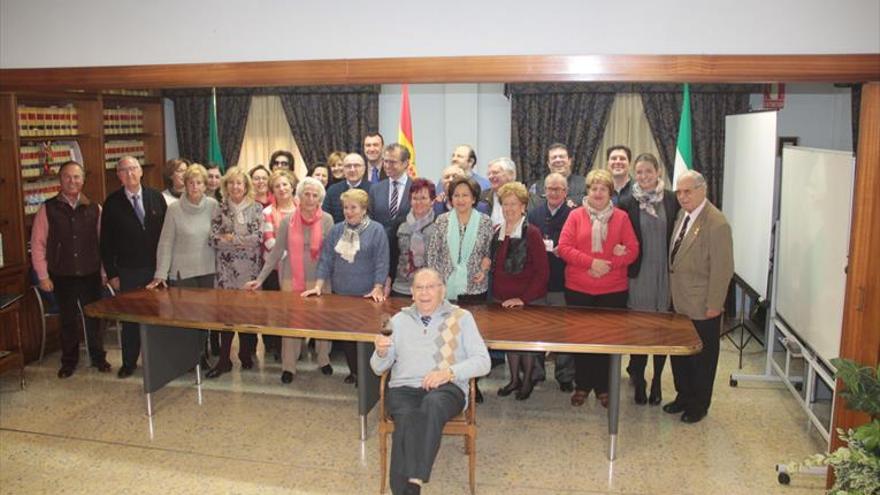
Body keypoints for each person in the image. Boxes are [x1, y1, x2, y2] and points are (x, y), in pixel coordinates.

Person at [371, 268, 491, 495]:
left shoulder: (462, 318)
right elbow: (378, 368)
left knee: (432, 405)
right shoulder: (395, 321)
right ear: (412, 293)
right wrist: (380, 352)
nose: (425, 293)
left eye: (431, 287)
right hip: (403, 389)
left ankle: (415, 476)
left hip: (447, 388)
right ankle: (408, 488)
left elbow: (483, 362)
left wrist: (449, 373)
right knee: (405, 420)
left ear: (442, 290)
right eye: (419, 288)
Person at [557, 169, 638, 408]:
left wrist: (608, 265)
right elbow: (564, 247)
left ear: (610, 193)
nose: (598, 192)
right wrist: (591, 263)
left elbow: (633, 250)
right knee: (581, 340)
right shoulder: (575, 216)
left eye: (603, 188)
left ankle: (604, 387)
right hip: (578, 288)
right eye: (594, 188)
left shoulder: (622, 217)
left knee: (607, 341)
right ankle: (582, 385)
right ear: (588, 191)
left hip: (612, 290)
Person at [245, 177, 335, 383]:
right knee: (291, 324)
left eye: (315, 195)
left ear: (320, 198)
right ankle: (289, 366)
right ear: (299, 196)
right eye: (306, 194)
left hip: (320, 278)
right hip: (290, 278)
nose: (310, 198)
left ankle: (323, 359)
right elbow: (276, 252)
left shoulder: (328, 220)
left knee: (321, 323)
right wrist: (260, 279)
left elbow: (329, 255)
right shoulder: (288, 221)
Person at [663, 170, 734, 424]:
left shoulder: (716, 223)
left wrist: (715, 305)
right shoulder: (683, 215)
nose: (682, 197)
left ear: (703, 190)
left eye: (687, 191)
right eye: (679, 192)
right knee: (680, 355)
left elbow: (723, 269)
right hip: (678, 302)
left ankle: (699, 404)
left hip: (702, 305)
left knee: (702, 359)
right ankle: (683, 396)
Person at [31, 161, 111, 378]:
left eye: (76, 177)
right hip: (61, 275)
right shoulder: (48, 209)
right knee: (68, 320)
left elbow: (102, 243)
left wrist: (104, 272)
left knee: (94, 318)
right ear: (60, 180)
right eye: (67, 177)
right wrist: (43, 276)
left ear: (83, 180)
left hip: (91, 272)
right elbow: (38, 244)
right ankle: (69, 362)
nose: (72, 181)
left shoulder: (95, 208)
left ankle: (98, 358)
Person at [302, 188, 389, 385]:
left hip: (367, 295)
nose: (348, 212)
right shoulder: (336, 230)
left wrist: (378, 287)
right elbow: (326, 259)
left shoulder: (377, 230)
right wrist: (318, 286)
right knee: (348, 337)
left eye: (353, 207)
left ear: (364, 209)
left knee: (366, 338)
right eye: (345, 208)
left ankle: (369, 376)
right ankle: (355, 372)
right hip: (341, 292)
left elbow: (382, 262)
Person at [619, 153, 680, 405]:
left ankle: (657, 381)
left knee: (662, 330)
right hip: (639, 275)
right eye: (640, 172)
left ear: (658, 173)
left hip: (666, 275)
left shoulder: (673, 200)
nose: (644, 177)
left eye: (648, 172)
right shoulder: (627, 201)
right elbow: (620, 235)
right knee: (641, 329)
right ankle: (640, 379)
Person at [100, 155, 167, 378]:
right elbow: (106, 242)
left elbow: (167, 237)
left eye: (133, 169)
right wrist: (112, 274)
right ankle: (129, 362)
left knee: (157, 317)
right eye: (124, 170)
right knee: (130, 318)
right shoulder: (112, 203)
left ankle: (158, 360)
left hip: (155, 270)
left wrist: (164, 269)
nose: (129, 173)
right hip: (128, 271)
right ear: (118, 176)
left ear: (141, 171)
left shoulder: (156, 197)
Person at [490, 182, 549, 401]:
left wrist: (523, 298)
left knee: (525, 344)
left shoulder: (532, 233)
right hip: (501, 299)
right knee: (509, 343)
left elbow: (542, 271)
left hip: (526, 300)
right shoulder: (497, 231)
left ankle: (526, 382)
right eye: (505, 204)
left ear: (523, 206)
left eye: (514, 204)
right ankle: (514, 379)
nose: (509, 209)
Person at [206, 166, 264, 378]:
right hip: (226, 271)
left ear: (246, 186)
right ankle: (224, 360)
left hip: (250, 271)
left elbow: (257, 239)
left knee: (248, 314)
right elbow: (212, 239)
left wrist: (231, 239)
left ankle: (246, 354)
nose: (235, 186)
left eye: (239, 182)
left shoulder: (256, 208)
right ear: (226, 186)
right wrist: (237, 241)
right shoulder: (220, 209)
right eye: (231, 182)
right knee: (227, 317)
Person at [527, 172, 575, 392]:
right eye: (550, 189)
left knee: (563, 330)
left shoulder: (574, 215)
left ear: (566, 192)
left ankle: (565, 375)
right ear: (544, 190)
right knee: (537, 328)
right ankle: (536, 373)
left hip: (562, 281)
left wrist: (564, 250)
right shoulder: (534, 214)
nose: (554, 193)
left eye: (559, 189)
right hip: (538, 282)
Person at [147, 163, 218, 291]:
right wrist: (161, 274)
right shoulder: (174, 209)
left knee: (209, 310)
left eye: (199, 182)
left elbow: (219, 237)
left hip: (208, 271)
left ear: (205, 186)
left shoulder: (213, 206)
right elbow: (165, 243)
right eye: (191, 183)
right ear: (185, 185)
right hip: (182, 274)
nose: (195, 187)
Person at [428, 176, 493, 304]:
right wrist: (437, 281)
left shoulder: (485, 221)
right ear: (451, 198)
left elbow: (489, 253)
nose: (460, 199)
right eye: (456, 195)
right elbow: (433, 254)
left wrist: (484, 271)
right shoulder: (442, 220)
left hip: (475, 288)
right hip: (445, 289)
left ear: (473, 198)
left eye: (465, 195)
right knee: (448, 324)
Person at [259, 169, 299, 361]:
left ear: (292, 186)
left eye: (285, 184)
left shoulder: (303, 208)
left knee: (296, 311)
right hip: (275, 271)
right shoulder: (267, 212)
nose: (282, 188)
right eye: (277, 186)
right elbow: (268, 241)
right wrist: (291, 254)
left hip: (300, 271)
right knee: (276, 312)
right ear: (272, 190)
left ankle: (295, 348)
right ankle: (276, 347)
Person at [387, 178, 439, 298]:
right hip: (401, 288)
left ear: (432, 201)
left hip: (430, 290)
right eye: (415, 198)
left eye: (423, 198)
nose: (418, 202)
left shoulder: (440, 223)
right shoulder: (400, 224)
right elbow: (392, 255)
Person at [368, 143, 412, 235]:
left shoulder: (415, 188)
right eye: (385, 161)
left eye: (392, 162)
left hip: (407, 244)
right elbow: (370, 220)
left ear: (405, 163)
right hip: (381, 244)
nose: (387, 166)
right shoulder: (375, 189)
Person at [527, 143, 586, 210]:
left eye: (561, 157)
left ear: (569, 161)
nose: (558, 160)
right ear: (548, 164)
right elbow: (531, 214)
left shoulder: (585, 185)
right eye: (554, 157)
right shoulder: (536, 188)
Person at [323, 153, 371, 223]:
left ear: (364, 168)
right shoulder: (332, 191)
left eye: (356, 166)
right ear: (343, 169)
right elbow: (326, 219)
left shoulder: (374, 190)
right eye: (348, 166)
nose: (352, 169)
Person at [478, 157, 517, 227]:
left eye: (495, 173)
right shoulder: (482, 197)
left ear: (510, 175)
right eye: (489, 174)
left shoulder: (524, 197)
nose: (490, 177)